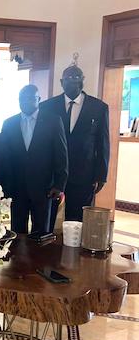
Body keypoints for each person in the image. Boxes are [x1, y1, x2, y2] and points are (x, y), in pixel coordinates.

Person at [40, 65, 110, 224]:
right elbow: (42, 143)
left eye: (77, 77)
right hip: (53, 174)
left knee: (77, 222)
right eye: (69, 78)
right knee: (47, 221)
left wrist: (101, 175)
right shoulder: (47, 107)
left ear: (83, 80)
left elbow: (103, 144)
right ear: (61, 82)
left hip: (84, 175)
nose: (73, 81)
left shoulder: (98, 108)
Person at [1, 85, 68, 234]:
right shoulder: (9, 123)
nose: (26, 101)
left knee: (42, 232)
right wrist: (5, 186)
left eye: (31, 98)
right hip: (17, 187)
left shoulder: (53, 121)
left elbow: (61, 154)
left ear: (39, 99)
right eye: (22, 98)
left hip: (44, 187)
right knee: (17, 231)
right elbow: (5, 157)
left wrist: (59, 185)